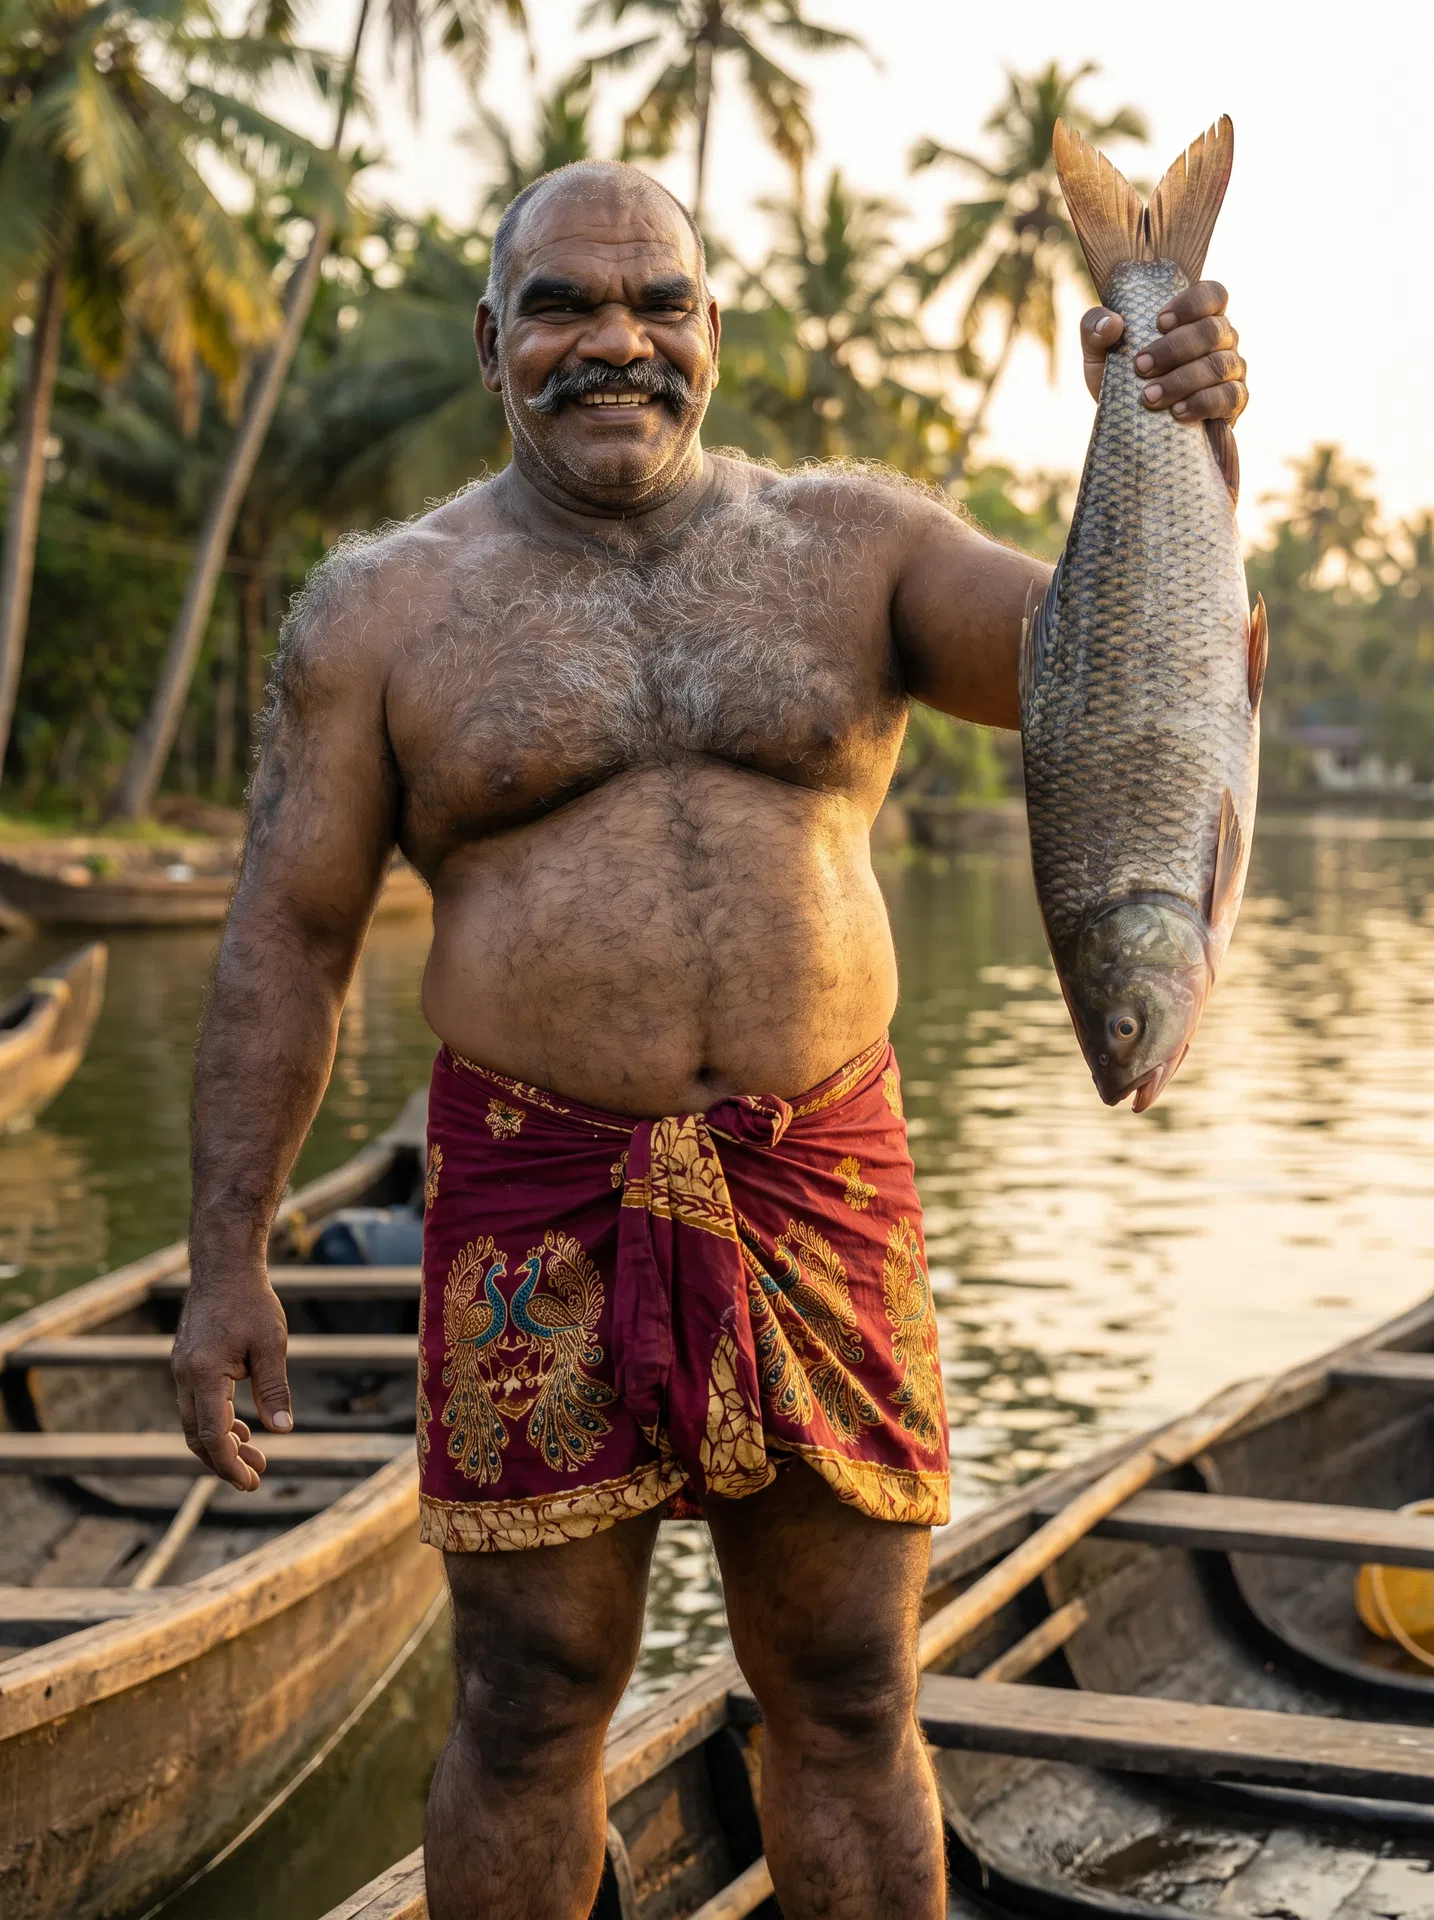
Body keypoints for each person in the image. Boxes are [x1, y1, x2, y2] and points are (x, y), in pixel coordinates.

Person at [173, 160, 1249, 1919]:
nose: (616, 343)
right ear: (490, 342)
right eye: (563, 309)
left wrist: (1185, 422)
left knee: (845, 1690)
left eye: (656, 305)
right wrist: (227, 1262)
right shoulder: (381, 612)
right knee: (525, 1703)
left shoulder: (857, 547)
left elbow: (1124, 655)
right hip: (528, 1196)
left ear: (712, 332)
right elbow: (285, 946)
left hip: (818, 1177)